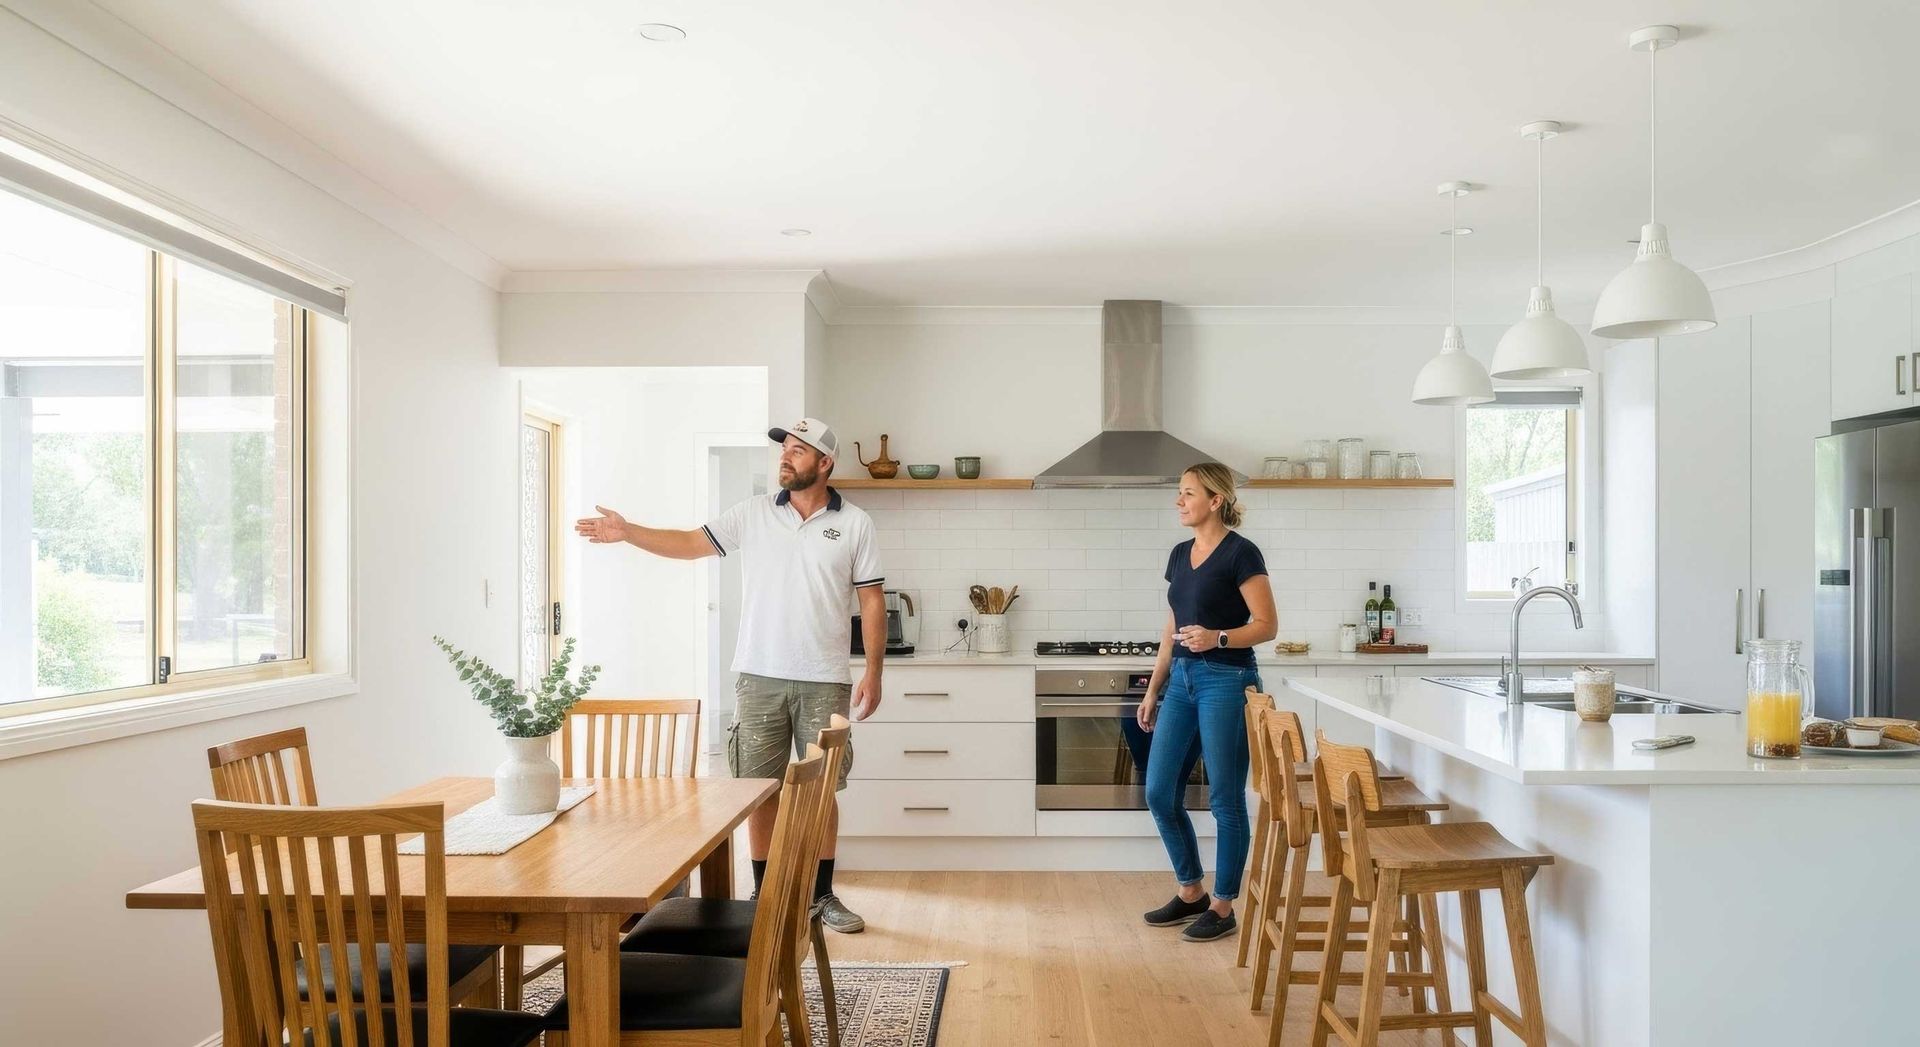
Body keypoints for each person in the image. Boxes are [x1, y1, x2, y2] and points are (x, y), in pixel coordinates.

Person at [575, 417, 884, 933]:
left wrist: (872, 671)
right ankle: (764, 894)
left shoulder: (854, 524)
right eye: (783, 450)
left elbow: (871, 601)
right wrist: (627, 532)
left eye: (798, 451)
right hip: (758, 676)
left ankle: (821, 895)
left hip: (826, 677)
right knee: (758, 790)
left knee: (822, 792)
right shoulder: (753, 514)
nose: (785, 458)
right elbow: (689, 543)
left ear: (825, 463)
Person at [1136, 462, 1278, 942]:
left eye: (1188, 493)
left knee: (1224, 799)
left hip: (1228, 679)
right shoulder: (1179, 555)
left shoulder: (1242, 553)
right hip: (1181, 680)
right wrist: (1154, 689)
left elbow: (1265, 625)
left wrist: (1217, 638)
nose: (1179, 500)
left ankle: (1223, 904)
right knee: (1158, 791)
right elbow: (1169, 631)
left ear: (1215, 500)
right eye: (1179, 492)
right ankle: (1191, 890)